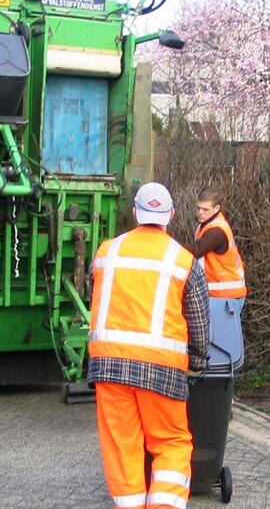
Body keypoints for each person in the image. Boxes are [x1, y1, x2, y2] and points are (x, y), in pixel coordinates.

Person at [87, 182, 210, 509]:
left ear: (135, 214)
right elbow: (198, 320)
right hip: (162, 369)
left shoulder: (105, 253)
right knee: (171, 443)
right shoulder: (183, 261)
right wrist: (197, 363)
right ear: (170, 215)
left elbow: (96, 297)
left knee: (122, 446)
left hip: (109, 366)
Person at [182, 186, 247, 312]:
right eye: (198, 208)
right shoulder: (209, 224)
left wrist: (167, 244)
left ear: (216, 208)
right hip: (223, 296)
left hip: (226, 298)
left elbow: (195, 251)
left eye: (205, 209)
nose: (200, 212)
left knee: (220, 332)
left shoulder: (216, 231)